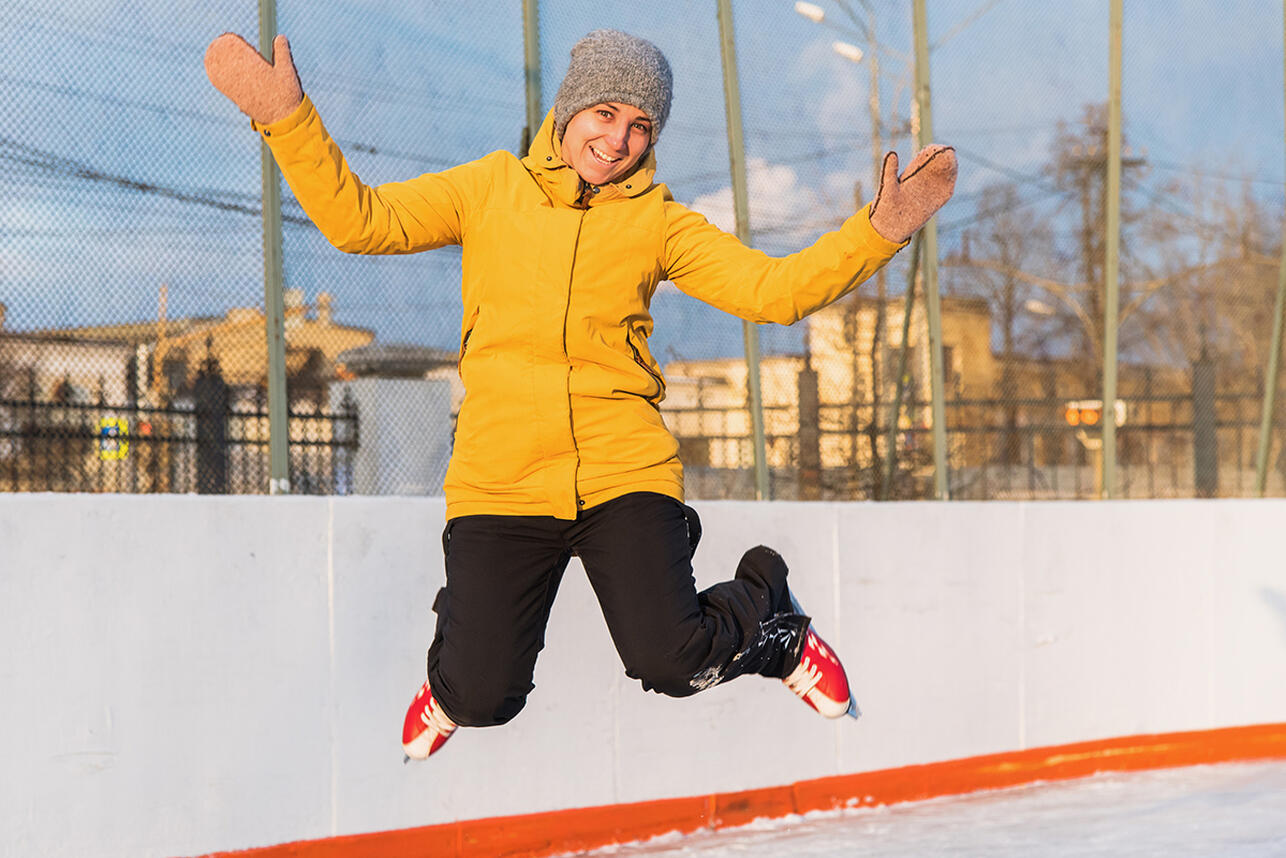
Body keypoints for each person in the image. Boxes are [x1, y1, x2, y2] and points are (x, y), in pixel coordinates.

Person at [204, 27, 956, 760]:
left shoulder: (660, 224)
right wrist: (288, 121)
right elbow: (359, 221)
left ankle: (774, 621)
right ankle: (456, 672)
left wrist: (878, 231)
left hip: (621, 472)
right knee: (478, 696)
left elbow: (772, 292)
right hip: (501, 480)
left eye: (639, 125)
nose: (618, 138)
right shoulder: (489, 188)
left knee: (674, 661)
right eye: (605, 113)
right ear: (568, 112)